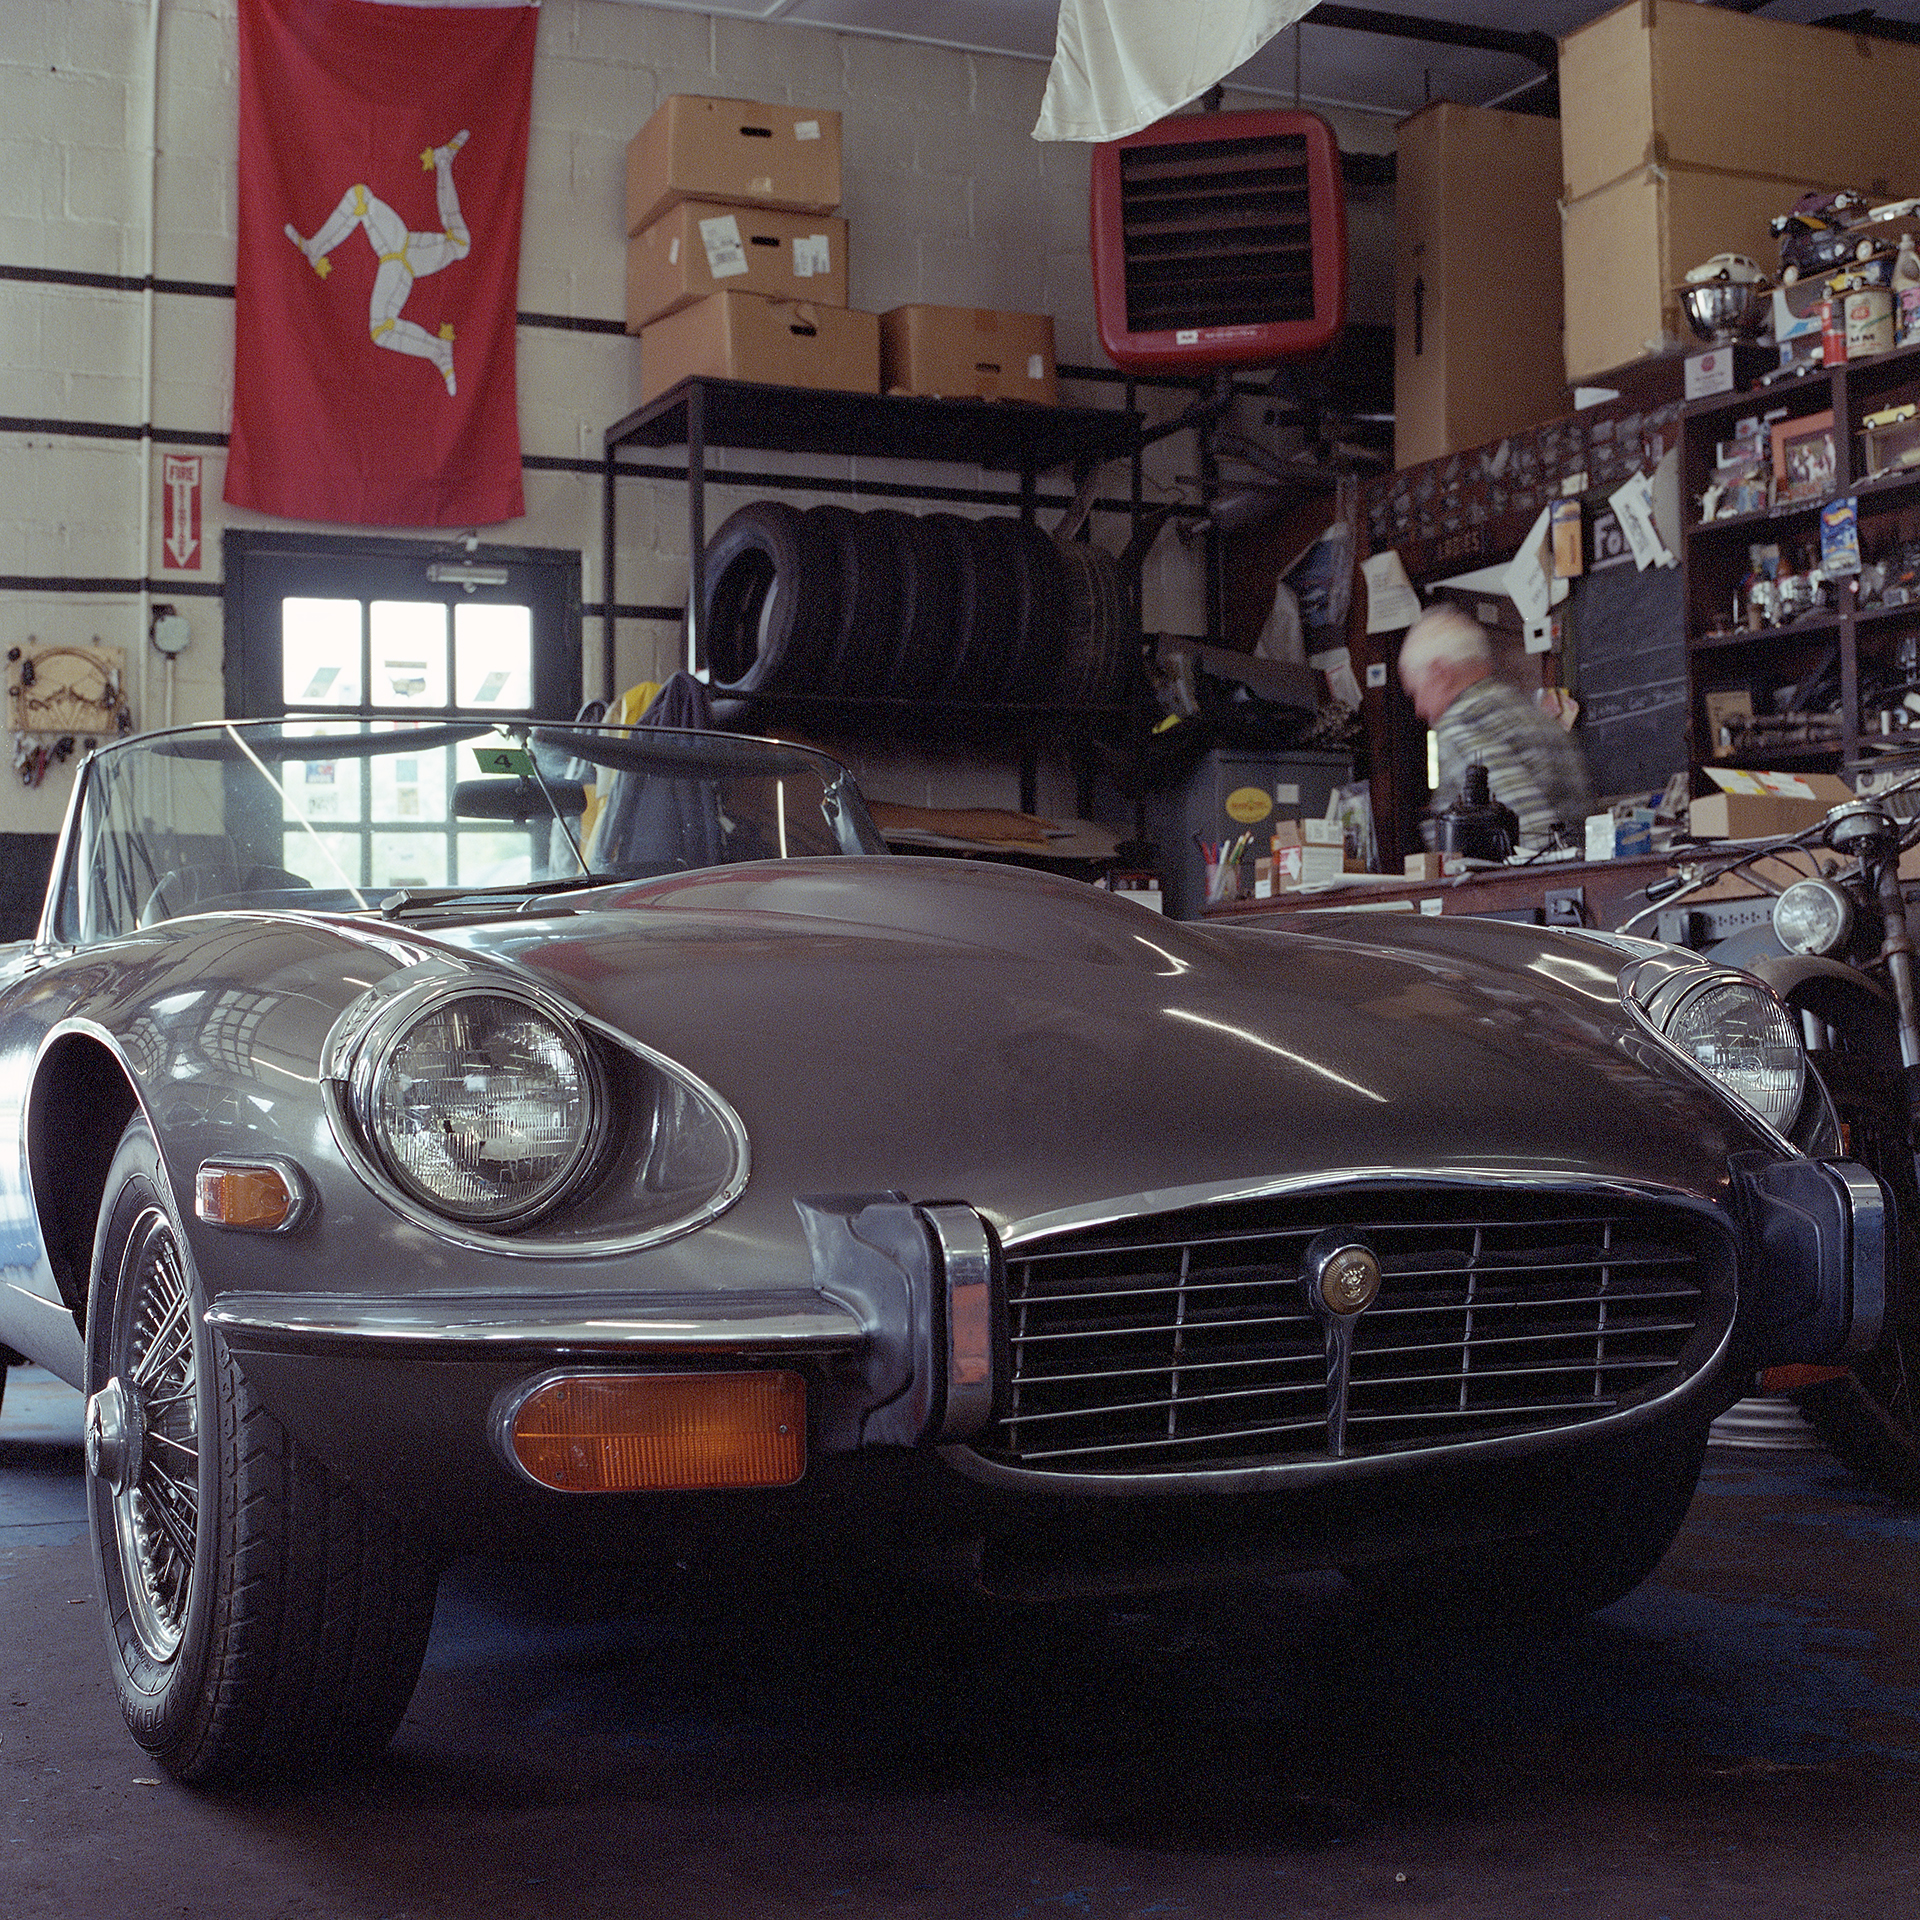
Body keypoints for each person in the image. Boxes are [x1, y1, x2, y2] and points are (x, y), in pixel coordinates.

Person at [1397, 605, 1592, 850]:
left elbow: (1532, 837)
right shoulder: (1521, 708)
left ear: (1440, 673)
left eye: (1416, 692)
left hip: (1538, 884)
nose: (1419, 709)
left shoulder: (1462, 722)